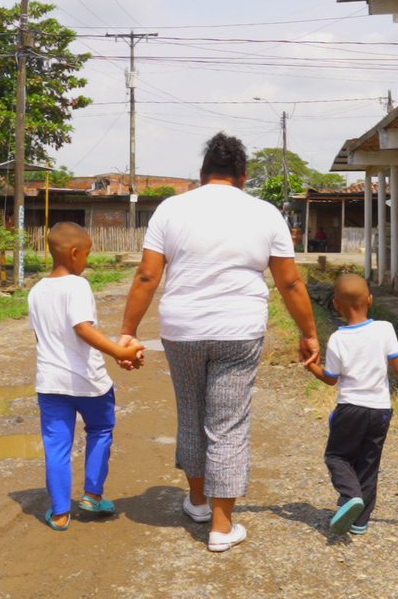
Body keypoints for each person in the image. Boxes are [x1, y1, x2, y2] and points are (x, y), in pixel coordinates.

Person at [119, 132, 320, 552]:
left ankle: (196, 501)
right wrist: (309, 332)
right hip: (239, 330)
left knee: (191, 412)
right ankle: (221, 526)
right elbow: (289, 281)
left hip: (182, 330)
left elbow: (146, 276)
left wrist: (129, 331)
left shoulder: (171, 209)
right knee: (227, 422)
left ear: (201, 173)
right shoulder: (265, 213)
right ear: (243, 176)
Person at [28, 221, 145, 531]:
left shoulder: (37, 290)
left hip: (51, 384)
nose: (89, 261)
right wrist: (120, 353)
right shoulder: (77, 286)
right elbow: (83, 328)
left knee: (57, 446)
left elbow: (42, 339)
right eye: (88, 254)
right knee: (101, 430)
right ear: (75, 253)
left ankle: (61, 513)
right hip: (89, 383)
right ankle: (92, 495)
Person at [304, 273, 398, 536]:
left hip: (350, 408)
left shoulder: (338, 338)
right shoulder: (385, 328)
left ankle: (350, 495)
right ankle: (360, 521)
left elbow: (331, 380)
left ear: (336, 304)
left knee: (338, 456)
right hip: (380, 411)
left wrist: (312, 367)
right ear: (371, 300)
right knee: (368, 462)